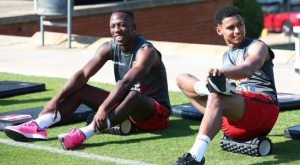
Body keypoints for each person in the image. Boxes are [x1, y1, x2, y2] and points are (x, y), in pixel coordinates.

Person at [4, 9, 171, 150]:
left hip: (154, 114)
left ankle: (83, 134)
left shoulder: (146, 51)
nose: (117, 30)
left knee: (133, 95)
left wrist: (104, 107)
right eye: (113, 26)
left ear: (133, 27)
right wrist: (55, 99)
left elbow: (127, 83)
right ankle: (39, 125)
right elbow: (84, 74)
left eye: (122, 25)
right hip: (123, 108)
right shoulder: (108, 47)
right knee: (82, 89)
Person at [174, 5, 279, 165]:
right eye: (231, 27)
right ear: (219, 31)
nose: (237, 30)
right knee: (182, 79)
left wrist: (222, 73)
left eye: (240, 24)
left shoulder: (258, 46)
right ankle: (209, 88)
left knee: (218, 97)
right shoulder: (226, 55)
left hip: (263, 112)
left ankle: (195, 157)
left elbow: (249, 68)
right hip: (234, 121)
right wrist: (213, 83)